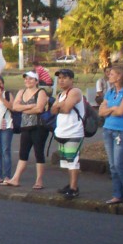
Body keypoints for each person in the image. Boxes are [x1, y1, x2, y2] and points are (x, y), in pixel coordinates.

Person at [4, 70, 48, 189]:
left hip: (39, 126)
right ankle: (16, 178)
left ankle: (39, 180)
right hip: (25, 126)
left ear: (36, 81)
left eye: (30, 79)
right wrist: (29, 106)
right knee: (23, 153)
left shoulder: (41, 92)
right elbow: (15, 107)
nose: (27, 81)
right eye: (26, 79)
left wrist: (23, 109)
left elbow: (39, 109)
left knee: (38, 152)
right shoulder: (21, 92)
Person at [96, 64, 123, 205]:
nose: (109, 76)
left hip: (122, 131)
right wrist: (112, 108)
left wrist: (111, 109)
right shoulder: (110, 91)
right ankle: (117, 194)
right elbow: (101, 112)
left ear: (119, 76)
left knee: (120, 164)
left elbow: (121, 112)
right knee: (112, 165)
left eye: (112, 74)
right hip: (108, 129)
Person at [50, 68, 84, 199]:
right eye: (60, 78)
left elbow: (66, 109)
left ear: (71, 79)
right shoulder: (60, 94)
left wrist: (59, 105)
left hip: (74, 130)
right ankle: (70, 185)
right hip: (62, 131)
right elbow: (53, 110)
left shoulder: (75, 92)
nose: (61, 80)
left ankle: (74, 188)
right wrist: (59, 104)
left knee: (73, 160)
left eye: (64, 78)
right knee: (66, 161)